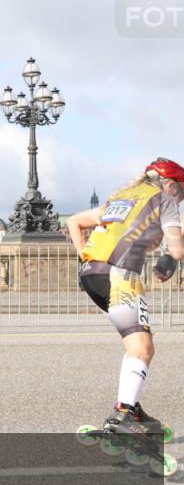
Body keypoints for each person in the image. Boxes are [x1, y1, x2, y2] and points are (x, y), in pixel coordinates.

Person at [66, 157, 184, 438]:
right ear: (169, 184)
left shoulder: (121, 197)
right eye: (181, 192)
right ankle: (124, 412)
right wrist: (170, 261)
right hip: (121, 276)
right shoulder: (162, 199)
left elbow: (74, 221)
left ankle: (133, 406)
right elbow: (177, 245)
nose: (179, 201)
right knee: (142, 348)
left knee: (135, 343)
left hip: (92, 275)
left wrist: (84, 253)